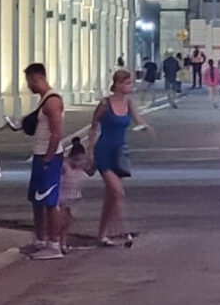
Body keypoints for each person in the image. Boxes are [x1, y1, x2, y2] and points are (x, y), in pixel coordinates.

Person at [88, 70, 153, 247]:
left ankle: (102, 234)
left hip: (119, 153)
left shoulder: (130, 103)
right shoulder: (104, 104)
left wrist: (145, 127)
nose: (130, 86)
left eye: (130, 83)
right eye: (127, 83)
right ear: (117, 84)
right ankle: (120, 230)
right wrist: (90, 154)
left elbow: (138, 119)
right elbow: (93, 127)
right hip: (104, 151)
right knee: (117, 191)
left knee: (111, 196)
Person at [23, 63, 65, 260]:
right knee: (37, 200)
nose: (28, 86)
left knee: (49, 201)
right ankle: (40, 239)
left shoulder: (52, 102)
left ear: (36, 78)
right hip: (40, 155)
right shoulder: (43, 101)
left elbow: (57, 133)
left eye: (29, 81)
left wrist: (48, 158)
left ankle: (54, 244)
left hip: (49, 156)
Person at [58, 137, 94, 254]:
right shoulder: (65, 166)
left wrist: (92, 155)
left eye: (82, 160)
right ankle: (57, 241)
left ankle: (63, 242)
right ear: (70, 158)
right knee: (61, 220)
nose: (79, 163)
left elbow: (91, 170)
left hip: (74, 197)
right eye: (77, 160)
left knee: (68, 222)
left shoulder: (83, 167)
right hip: (62, 197)